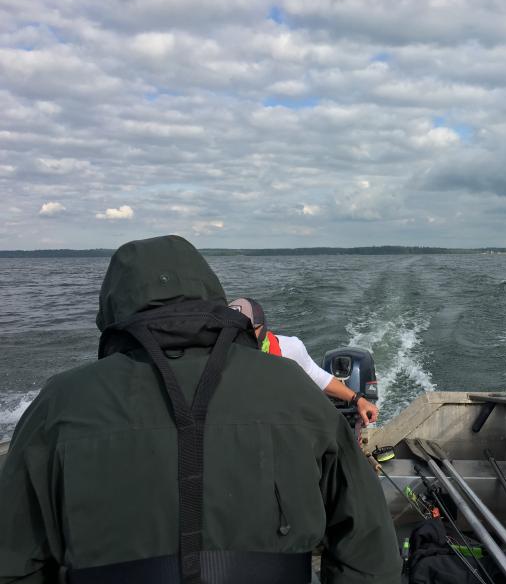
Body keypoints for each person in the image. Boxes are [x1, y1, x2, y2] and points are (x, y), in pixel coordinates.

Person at [0, 235, 400, 584]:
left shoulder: (59, 402)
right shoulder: (293, 386)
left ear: (111, 309)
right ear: (211, 296)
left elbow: (13, 559)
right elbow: (369, 546)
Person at [228, 297, 379, 425]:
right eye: (233, 330)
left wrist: (358, 400)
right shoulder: (218, 359)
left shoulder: (290, 348)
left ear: (262, 327)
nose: (241, 336)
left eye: (249, 329)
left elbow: (317, 376)